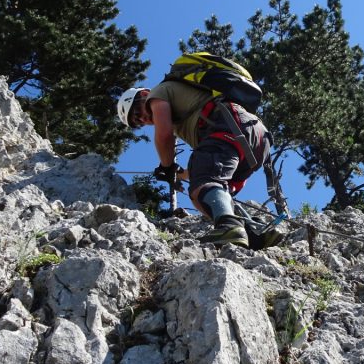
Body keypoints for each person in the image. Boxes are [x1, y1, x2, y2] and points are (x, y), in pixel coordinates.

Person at [117, 80, 273, 247]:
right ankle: (254, 232)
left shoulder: (157, 94)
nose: (143, 119)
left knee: (204, 184)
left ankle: (230, 227)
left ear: (143, 95)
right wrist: (180, 173)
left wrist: (166, 167)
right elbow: (211, 165)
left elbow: (164, 135)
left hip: (229, 126)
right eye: (138, 122)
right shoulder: (182, 108)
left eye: (137, 113)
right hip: (256, 138)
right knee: (204, 193)